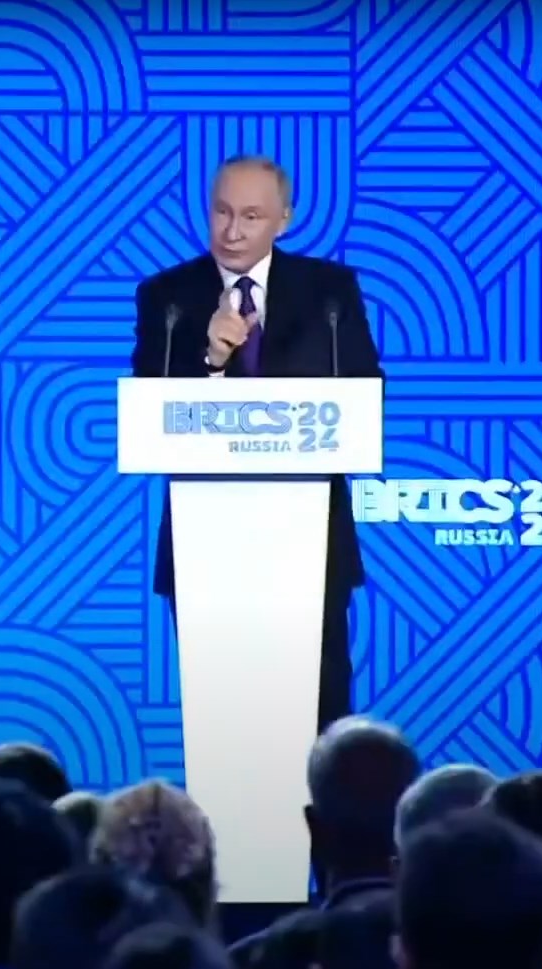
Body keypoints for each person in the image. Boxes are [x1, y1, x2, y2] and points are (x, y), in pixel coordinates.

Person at [129, 154, 385, 732]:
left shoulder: (330, 293)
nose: (232, 231)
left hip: (310, 541)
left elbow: (366, 396)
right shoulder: (168, 297)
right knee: (227, 726)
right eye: (221, 212)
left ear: (283, 219)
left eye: (251, 216)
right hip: (207, 546)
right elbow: (151, 411)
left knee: (321, 719)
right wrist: (212, 361)